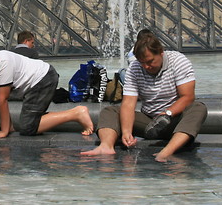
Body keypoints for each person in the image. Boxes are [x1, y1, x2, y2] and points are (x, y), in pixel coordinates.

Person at [82, 33, 207, 162]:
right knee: (110, 111)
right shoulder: (134, 68)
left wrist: (167, 114)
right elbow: (128, 103)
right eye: (142, 63)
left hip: (174, 122)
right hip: (148, 123)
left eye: (150, 61)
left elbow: (187, 97)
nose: (146, 66)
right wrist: (126, 132)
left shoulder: (179, 61)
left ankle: (166, 152)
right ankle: (106, 146)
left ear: (161, 52)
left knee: (198, 108)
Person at [0, 48, 94, 138]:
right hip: (29, 86)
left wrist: (4, 132)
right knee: (29, 124)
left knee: (28, 128)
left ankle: (76, 113)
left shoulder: (4, 62)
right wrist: (9, 127)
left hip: (43, 79)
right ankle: (73, 114)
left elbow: (3, 100)